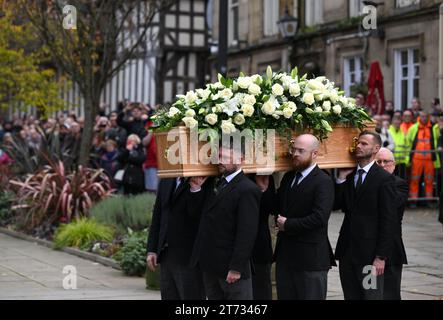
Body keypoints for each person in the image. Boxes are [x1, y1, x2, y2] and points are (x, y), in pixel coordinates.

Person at [190, 142, 261, 300]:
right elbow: (204, 218)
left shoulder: (248, 189)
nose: (219, 160)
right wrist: (196, 189)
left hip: (231, 268)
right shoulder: (216, 183)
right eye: (218, 156)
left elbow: (247, 233)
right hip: (211, 265)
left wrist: (236, 267)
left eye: (224, 157)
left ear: (240, 158)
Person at [334, 131, 397, 300]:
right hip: (348, 253)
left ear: (376, 148)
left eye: (364, 144)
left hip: (370, 256)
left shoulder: (384, 179)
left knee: (370, 296)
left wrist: (380, 257)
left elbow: (388, 220)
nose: (359, 146)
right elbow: (336, 204)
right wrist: (340, 178)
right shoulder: (351, 176)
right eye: (358, 143)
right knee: (351, 296)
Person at [274, 134, 335, 300]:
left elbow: (320, 217)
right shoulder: (288, 178)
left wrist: (289, 225)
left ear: (314, 154)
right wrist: (264, 188)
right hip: (286, 257)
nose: (295, 154)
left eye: (301, 151)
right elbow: (277, 206)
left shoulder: (323, 181)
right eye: (294, 150)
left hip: (311, 259)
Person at [146, 176, 210, 300]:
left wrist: (196, 190)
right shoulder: (167, 178)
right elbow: (158, 215)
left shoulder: (204, 179)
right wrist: (152, 249)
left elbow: (200, 217)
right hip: (166, 254)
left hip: (189, 258)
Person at [375, 148, 408, 300]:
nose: (382, 165)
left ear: (393, 165)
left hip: (391, 250)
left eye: (386, 162)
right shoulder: (369, 183)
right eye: (378, 162)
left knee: (390, 294)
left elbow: (390, 206)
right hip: (369, 250)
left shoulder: (399, 184)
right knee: (370, 290)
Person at [250, 174, 275, 300]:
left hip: (258, 246)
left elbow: (271, 208)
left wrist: (263, 189)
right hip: (230, 247)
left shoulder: (264, 176)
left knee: (261, 288)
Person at [406, 111, 440, 203]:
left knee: (429, 180)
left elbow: (438, 137)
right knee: (415, 180)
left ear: (428, 117)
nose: (424, 118)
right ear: (419, 117)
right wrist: (408, 157)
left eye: (425, 116)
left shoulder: (433, 128)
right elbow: (408, 142)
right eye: (422, 116)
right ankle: (414, 201)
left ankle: (429, 201)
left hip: (430, 159)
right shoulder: (414, 128)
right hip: (416, 159)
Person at [142, 119, 158, 193]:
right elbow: (144, 142)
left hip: (165, 164)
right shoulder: (149, 123)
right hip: (151, 163)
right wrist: (152, 129)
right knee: (153, 190)